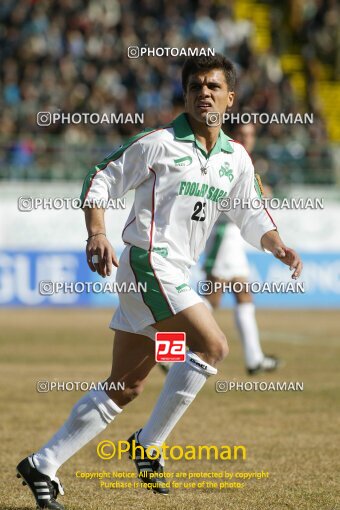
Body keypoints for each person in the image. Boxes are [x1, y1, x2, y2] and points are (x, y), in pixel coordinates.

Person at [16, 54, 302, 509]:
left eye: (212, 86)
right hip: (148, 267)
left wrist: (276, 244)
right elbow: (100, 179)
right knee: (212, 346)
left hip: (169, 279)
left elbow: (250, 213)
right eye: (194, 86)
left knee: (126, 385)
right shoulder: (158, 143)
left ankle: (42, 464)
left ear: (231, 97)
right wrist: (96, 233)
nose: (203, 92)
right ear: (186, 96)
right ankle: (148, 445)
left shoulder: (236, 158)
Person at [203, 121, 281, 374]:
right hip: (224, 234)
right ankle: (169, 351)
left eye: (251, 134)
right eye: (242, 134)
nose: (247, 138)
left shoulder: (246, 162)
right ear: (232, 135)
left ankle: (254, 359)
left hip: (234, 236)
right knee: (210, 300)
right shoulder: (224, 158)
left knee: (243, 294)